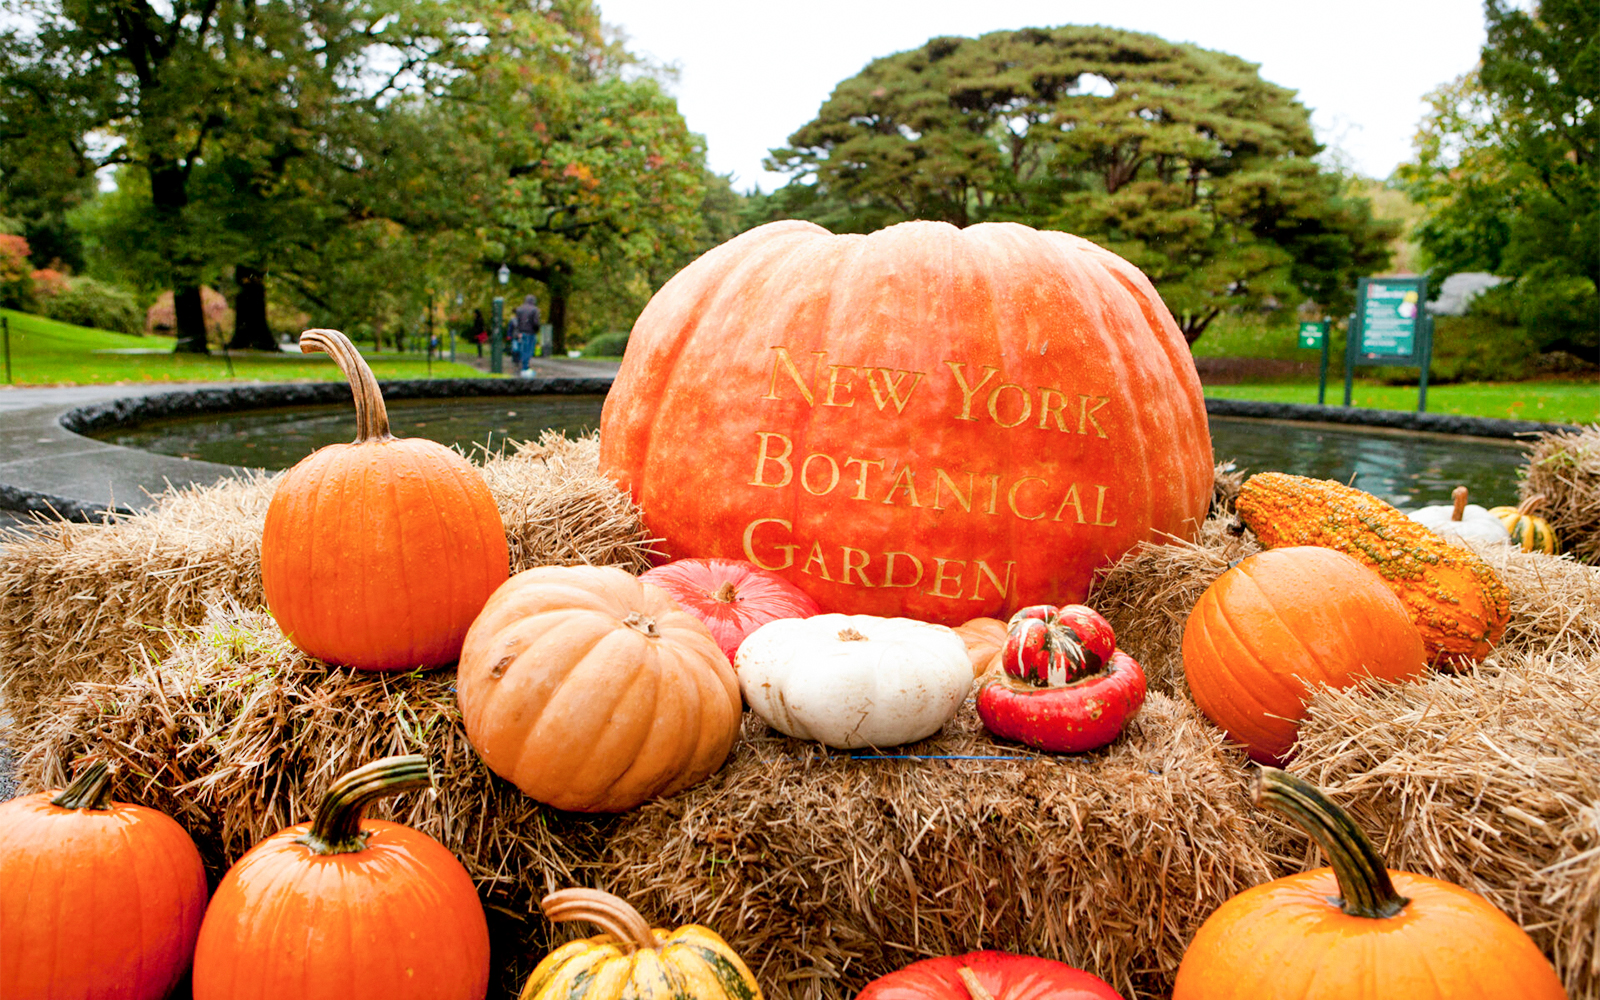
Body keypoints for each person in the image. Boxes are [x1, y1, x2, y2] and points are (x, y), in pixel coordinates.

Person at [511, 294, 540, 375]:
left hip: (522, 332)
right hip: (531, 332)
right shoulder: (535, 310)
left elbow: (517, 322)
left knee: (523, 349)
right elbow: (536, 322)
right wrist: (536, 330)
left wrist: (519, 331)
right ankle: (525, 367)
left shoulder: (519, 309)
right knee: (529, 350)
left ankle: (523, 365)